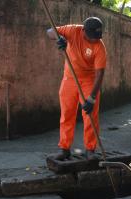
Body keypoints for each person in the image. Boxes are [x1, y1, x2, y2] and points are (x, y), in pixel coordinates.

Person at [46, 17, 107, 160]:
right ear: (83, 30)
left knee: (90, 115)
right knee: (67, 114)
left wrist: (92, 98)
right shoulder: (73, 30)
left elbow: (100, 74)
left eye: (96, 38)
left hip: (89, 81)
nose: (94, 41)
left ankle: (90, 149)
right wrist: (59, 38)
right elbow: (49, 31)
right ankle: (64, 148)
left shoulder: (99, 46)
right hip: (69, 79)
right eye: (91, 37)